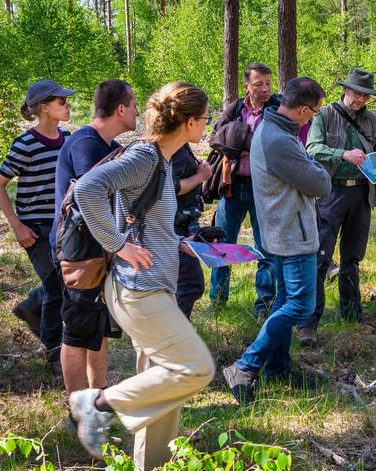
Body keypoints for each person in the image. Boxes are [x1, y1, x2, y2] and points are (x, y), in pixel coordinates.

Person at [68, 82, 215, 469]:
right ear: (187, 123)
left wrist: (180, 242)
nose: (206, 126)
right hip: (139, 291)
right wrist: (119, 245)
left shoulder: (164, 160)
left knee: (163, 389)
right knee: (196, 368)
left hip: (153, 285)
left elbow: (147, 220)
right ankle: (96, 402)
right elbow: (87, 190)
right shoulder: (146, 157)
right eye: (204, 119)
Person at [222, 77, 331, 405]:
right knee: (300, 304)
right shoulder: (278, 139)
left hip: (282, 229)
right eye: (312, 112)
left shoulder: (276, 128)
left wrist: (311, 168)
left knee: (285, 299)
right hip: (290, 233)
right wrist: (319, 171)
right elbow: (320, 183)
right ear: (301, 109)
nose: (312, 119)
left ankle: (278, 369)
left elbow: (307, 171)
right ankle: (245, 366)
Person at [51, 79, 137, 426]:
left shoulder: (109, 145)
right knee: (76, 330)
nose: (135, 112)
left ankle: (97, 399)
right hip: (79, 253)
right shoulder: (85, 143)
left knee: (97, 329)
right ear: (120, 109)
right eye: (133, 106)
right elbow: (90, 198)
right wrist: (120, 242)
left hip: (99, 250)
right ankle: (77, 410)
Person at [297, 69, 376, 346]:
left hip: (362, 194)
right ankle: (309, 322)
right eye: (356, 93)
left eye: (365, 95)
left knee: (352, 258)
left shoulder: (372, 120)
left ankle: (352, 314)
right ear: (345, 91)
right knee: (320, 259)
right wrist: (342, 154)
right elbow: (312, 149)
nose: (360, 99)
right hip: (330, 192)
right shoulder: (325, 115)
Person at [0, 80, 75, 372]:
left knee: (66, 282)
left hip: (64, 226)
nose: (67, 106)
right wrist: (17, 226)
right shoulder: (25, 144)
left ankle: (32, 305)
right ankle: (53, 350)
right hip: (35, 229)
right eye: (61, 102)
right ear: (45, 107)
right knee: (56, 284)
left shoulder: (68, 140)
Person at [208, 63, 279, 317]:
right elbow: (216, 138)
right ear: (246, 86)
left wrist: (240, 142)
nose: (265, 88)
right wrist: (244, 145)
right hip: (233, 187)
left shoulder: (278, 108)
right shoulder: (236, 108)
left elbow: (278, 145)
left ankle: (265, 304)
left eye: (268, 83)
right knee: (223, 246)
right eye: (259, 84)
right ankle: (217, 302)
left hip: (265, 189)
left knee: (267, 248)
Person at [172, 143, 212, 318]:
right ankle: (174, 336)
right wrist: (200, 176)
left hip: (180, 226)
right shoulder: (174, 149)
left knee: (186, 284)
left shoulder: (180, 146)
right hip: (174, 228)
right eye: (202, 119)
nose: (205, 124)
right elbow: (171, 187)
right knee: (190, 283)